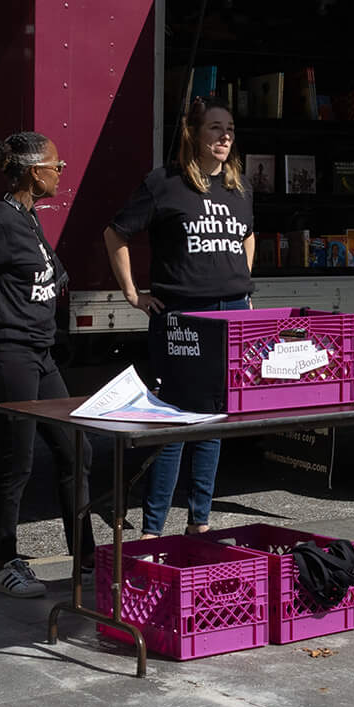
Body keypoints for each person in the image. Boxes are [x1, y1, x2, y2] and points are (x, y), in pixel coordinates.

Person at [104, 97, 254, 537]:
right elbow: (115, 233)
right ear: (193, 133)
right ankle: (153, 529)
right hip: (184, 317)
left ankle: (199, 524)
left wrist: (243, 286)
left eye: (229, 128)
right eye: (214, 128)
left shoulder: (239, 187)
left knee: (213, 421)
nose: (225, 136)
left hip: (231, 314)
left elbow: (246, 236)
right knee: (172, 420)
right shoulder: (164, 184)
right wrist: (132, 293)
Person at [0, 131, 91, 599]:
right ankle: (4, 562)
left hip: (41, 350)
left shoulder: (29, 218)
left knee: (77, 450)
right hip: (9, 350)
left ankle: (87, 559)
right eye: (57, 165)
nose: (61, 172)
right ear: (35, 172)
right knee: (18, 460)